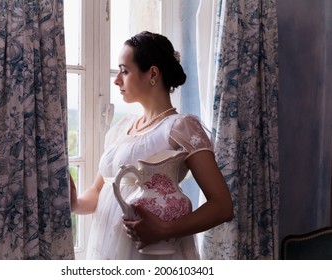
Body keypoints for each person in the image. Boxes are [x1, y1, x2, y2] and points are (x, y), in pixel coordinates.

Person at [70, 31, 233, 260]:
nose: (117, 80)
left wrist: (164, 230)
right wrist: (74, 203)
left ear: (153, 73)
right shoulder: (120, 129)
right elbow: (99, 192)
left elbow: (222, 206)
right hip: (107, 250)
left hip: (155, 253)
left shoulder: (181, 127)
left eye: (124, 71)